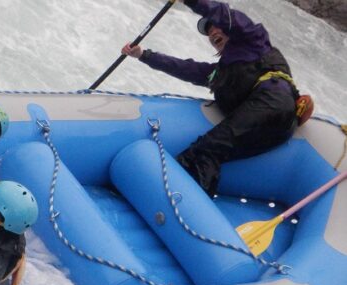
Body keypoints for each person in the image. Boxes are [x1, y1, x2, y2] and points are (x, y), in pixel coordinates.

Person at [121, 0, 310, 196]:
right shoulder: (218, 74)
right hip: (271, 132)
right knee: (201, 152)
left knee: (208, 147)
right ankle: (176, 195)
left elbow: (223, 14)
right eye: (209, 32)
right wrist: (143, 55)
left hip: (274, 104)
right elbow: (185, 68)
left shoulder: (253, 39)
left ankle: (187, 204)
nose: (212, 33)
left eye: (216, 27)